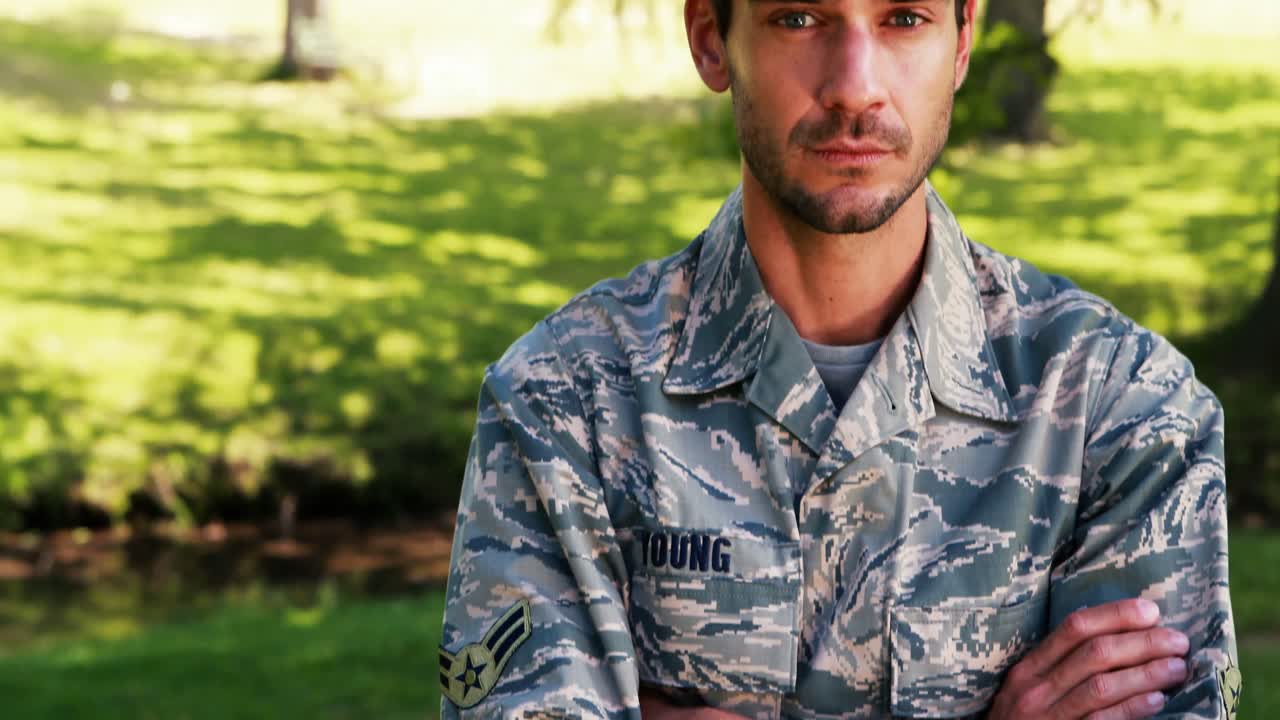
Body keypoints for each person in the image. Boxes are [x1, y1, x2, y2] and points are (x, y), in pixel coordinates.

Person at [437, 0, 1240, 717]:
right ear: (712, 40)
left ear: (962, 42)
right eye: (799, 17)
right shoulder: (563, 401)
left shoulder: (1125, 411)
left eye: (903, 19)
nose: (856, 87)